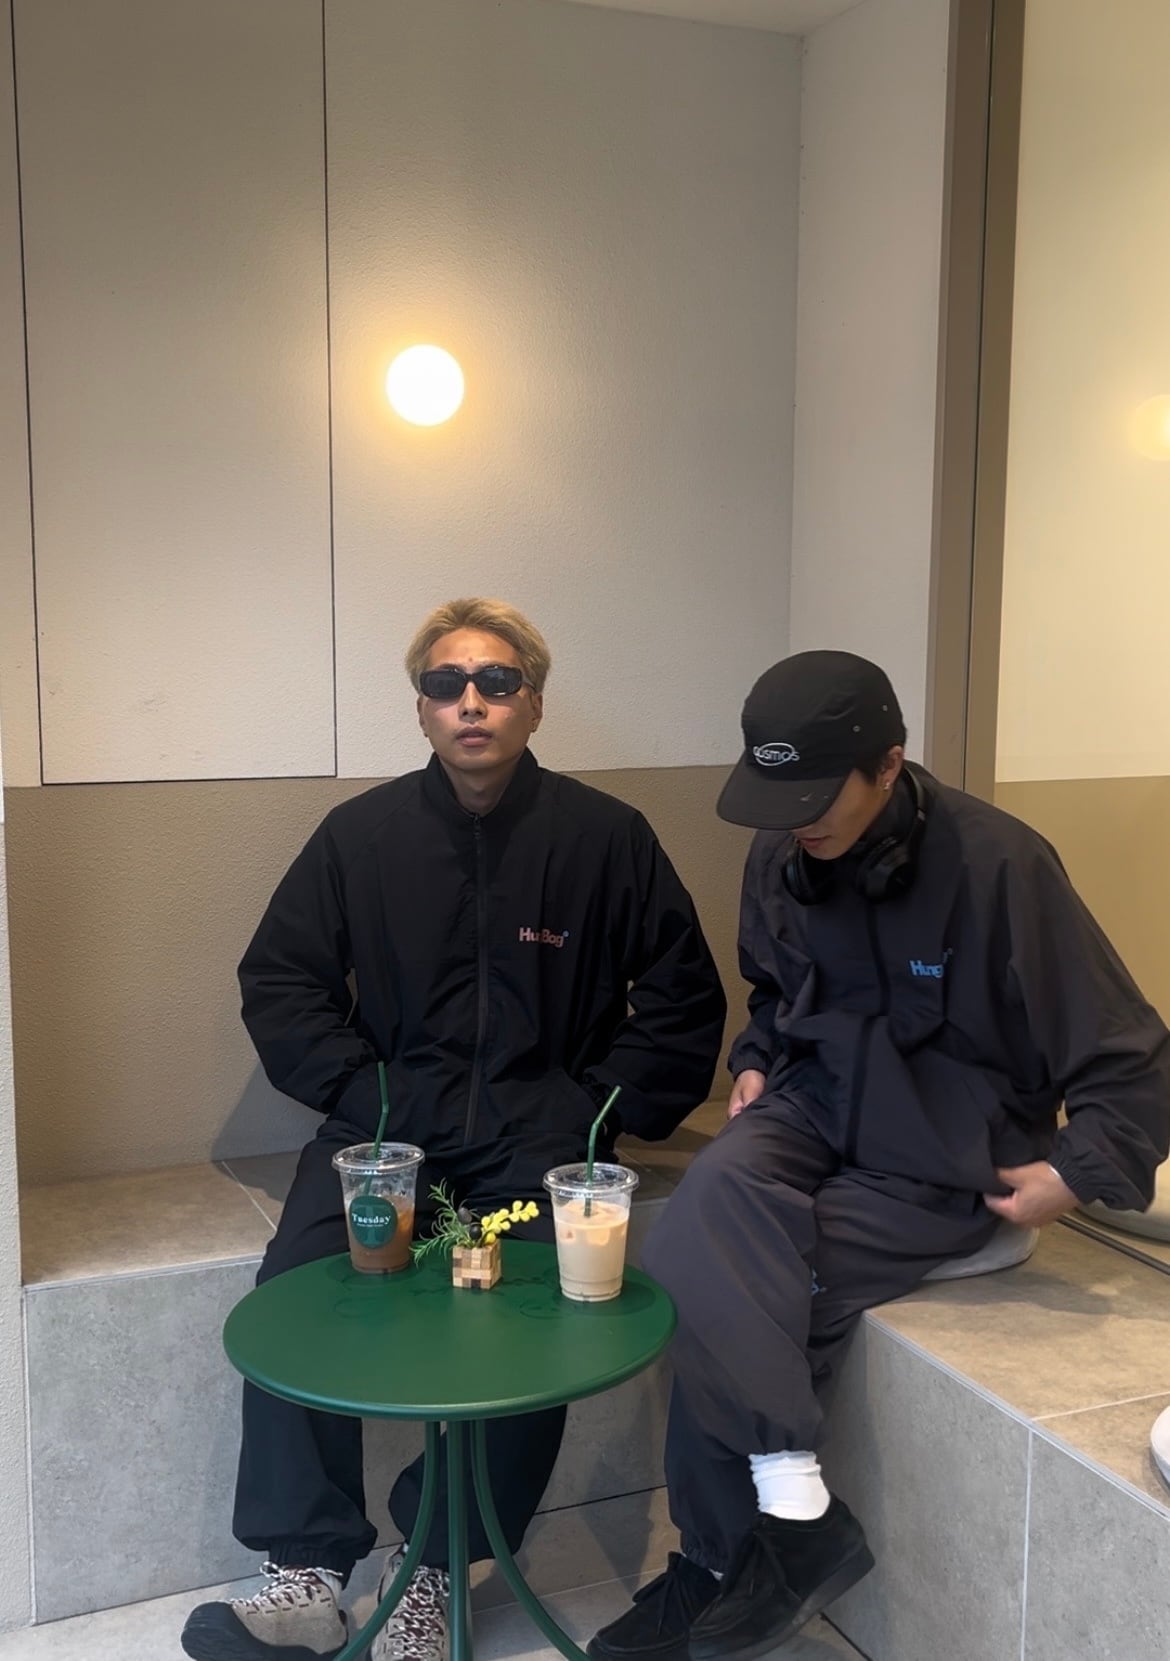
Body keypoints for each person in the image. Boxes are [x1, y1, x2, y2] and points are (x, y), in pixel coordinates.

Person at [590, 649, 1170, 1661]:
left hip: (939, 1156)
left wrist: (1075, 1173)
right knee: (693, 1229)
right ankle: (795, 1520)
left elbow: (1130, 1052)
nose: (796, 822)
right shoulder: (780, 849)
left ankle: (717, 1562)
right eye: (777, 799)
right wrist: (757, 1059)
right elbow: (774, 992)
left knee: (746, 1288)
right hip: (811, 1106)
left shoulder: (1000, 865)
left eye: (817, 797)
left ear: (890, 763)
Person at [181, 598, 726, 1661]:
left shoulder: (606, 838)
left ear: (535, 701)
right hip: (391, 1141)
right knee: (298, 1287)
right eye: (446, 683)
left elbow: (680, 999)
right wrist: (367, 1093)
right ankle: (305, 1570)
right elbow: (281, 980)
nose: (471, 701)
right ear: (421, 707)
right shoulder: (361, 836)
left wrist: (594, 1112)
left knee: (539, 1316)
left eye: (496, 680)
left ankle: (433, 1572)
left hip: (538, 1147)